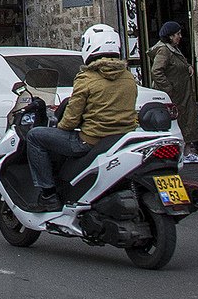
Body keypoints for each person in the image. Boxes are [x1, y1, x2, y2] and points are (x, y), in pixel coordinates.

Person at [26, 24, 139, 206]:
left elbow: (70, 120)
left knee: (35, 136)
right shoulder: (128, 76)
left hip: (90, 140)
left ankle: (48, 194)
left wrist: (59, 127)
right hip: (121, 138)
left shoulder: (86, 78)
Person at [145, 20, 198, 161]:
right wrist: (169, 89)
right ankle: (183, 153)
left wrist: (188, 66)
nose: (180, 36)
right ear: (170, 36)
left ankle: (187, 151)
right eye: (177, 34)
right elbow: (156, 71)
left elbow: (177, 64)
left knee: (186, 120)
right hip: (175, 94)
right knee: (180, 121)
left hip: (182, 93)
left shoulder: (174, 49)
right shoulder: (164, 50)